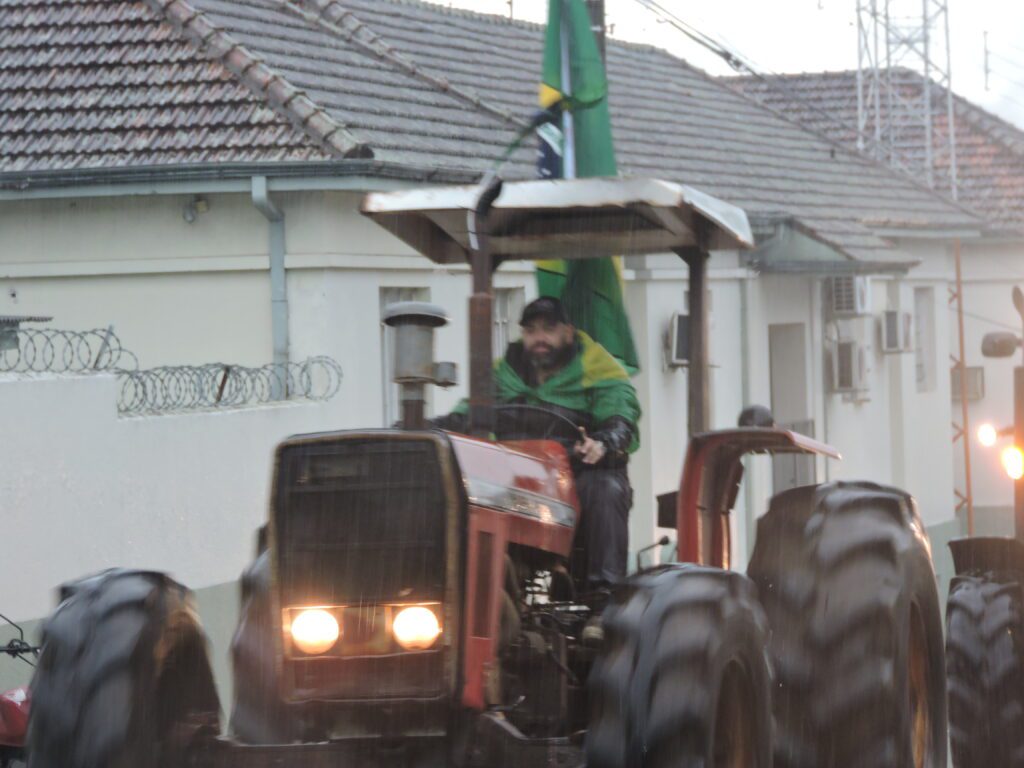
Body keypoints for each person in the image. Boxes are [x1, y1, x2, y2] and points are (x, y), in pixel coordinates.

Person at [435, 296, 640, 590]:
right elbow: (466, 416)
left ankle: (602, 598)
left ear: (568, 332)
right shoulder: (503, 375)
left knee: (605, 488)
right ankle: (462, 587)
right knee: (459, 489)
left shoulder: (599, 372)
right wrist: (424, 427)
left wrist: (604, 442)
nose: (539, 338)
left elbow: (620, 418)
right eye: (531, 330)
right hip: (518, 482)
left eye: (548, 329)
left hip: (577, 474)